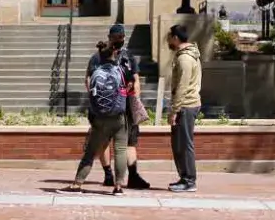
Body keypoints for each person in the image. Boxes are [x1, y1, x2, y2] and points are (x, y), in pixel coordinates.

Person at [77, 24, 149, 190]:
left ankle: (108, 175)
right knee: (126, 145)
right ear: (122, 38)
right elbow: (135, 81)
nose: (120, 40)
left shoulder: (96, 57)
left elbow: (88, 82)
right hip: (122, 110)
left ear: (109, 38)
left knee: (101, 143)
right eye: (120, 37)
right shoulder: (127, 57)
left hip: (100, 109)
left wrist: (98, 101)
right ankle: (129, 178)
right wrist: (135, 102)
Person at [70, 41, 131, 196]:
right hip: (118, 117)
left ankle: (78, 183)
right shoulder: (121, 70)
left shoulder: (96, 72)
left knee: (91, 151)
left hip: (99, 118)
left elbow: (91, 91)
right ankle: (118, 186)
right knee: (121, 150)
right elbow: (130, 86)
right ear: (113, 54)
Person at [165, 23, 203, 192]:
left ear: (175, 38)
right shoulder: (186, 56)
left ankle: (189, 180)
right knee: (178, 143)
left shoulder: (184, 58)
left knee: (184, 143)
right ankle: (184, 177)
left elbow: (182, 86)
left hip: (186, 106)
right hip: (186, 105)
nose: (168, 40)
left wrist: (175, 110)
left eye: (169, 37)